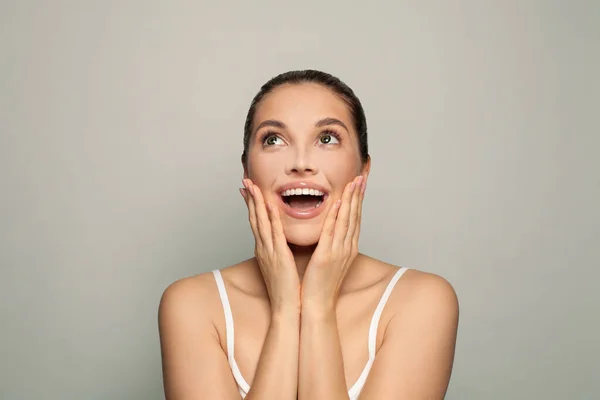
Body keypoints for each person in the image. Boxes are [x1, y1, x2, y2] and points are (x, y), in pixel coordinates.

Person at [158, 70, 459, 399]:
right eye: (274, 139)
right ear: (247, 171)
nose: (301, 163)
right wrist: (286, 310)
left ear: (363, 170)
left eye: (327, 138)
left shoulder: (421, 301)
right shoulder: (193, 305)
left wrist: (317, 308)